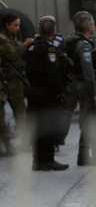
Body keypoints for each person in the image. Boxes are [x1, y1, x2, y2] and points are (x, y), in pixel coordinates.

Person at [25, 16, 70, 171]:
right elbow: (53, 74)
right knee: (49, 127)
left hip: (33, 92)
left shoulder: (31, 46)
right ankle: (47, 160)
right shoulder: (50, 49)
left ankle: (37, 161)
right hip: (47, 94)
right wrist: (60, 91)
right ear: (53, 31)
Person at [67, 11, 96, 166]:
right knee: (92, 120)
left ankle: (88, 155)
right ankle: (87, 156)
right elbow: (88, 72)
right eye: (93, 22)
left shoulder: (76, 41)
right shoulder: (83, 45)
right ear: (89, 26)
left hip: (78, 85)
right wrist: (94, 94)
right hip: (86, 87)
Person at [0, 13, 32, 155]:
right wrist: (25, 45)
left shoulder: (13, 38)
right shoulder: (2, 39)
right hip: (6, 81)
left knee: (21, 114)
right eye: (15, 25)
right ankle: (7, 146)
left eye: (19, 25)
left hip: (16, 81)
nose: (18, 28)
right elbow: (12, 54)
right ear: (7, 25)